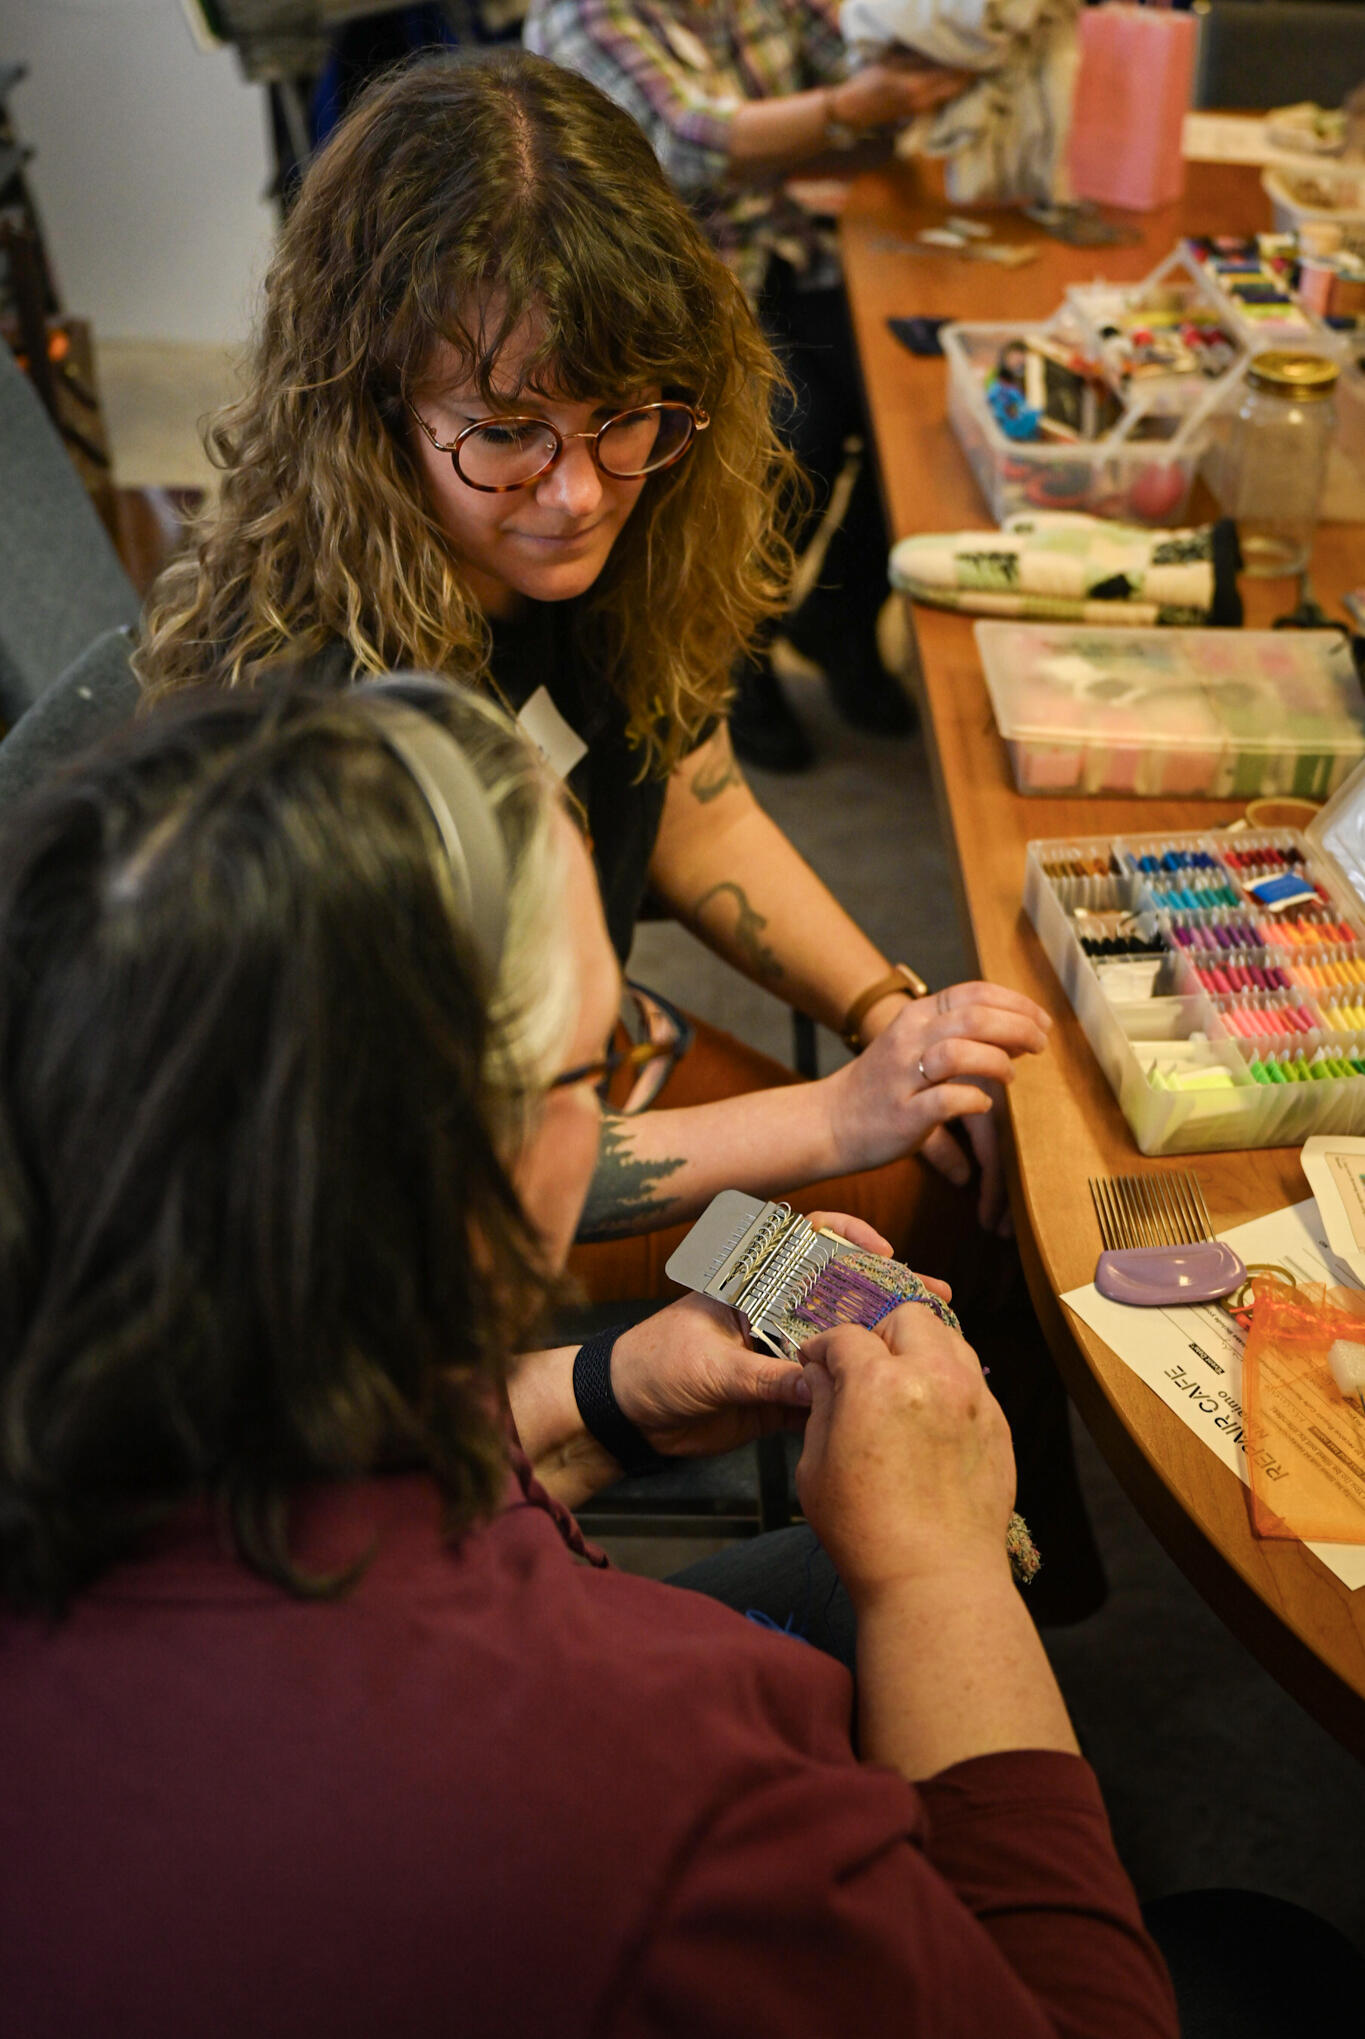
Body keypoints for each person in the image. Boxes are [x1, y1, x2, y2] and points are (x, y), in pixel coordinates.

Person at [0, 677, 1179, 2038]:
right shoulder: (647, 1795)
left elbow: (327, 1485)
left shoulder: (112, 1353)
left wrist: (601, 1396)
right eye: (593, 1070)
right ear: (471, 1160)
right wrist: (939, 1572)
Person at [523, 0, 968, 767]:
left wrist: (894, 63)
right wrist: (844, 110)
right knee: (793, 434)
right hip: (672, 290)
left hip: (793, 252)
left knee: (928, 404)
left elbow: (864, 67)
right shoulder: (582, 13)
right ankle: (733, 653)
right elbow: (685, 143)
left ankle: (842, 619)